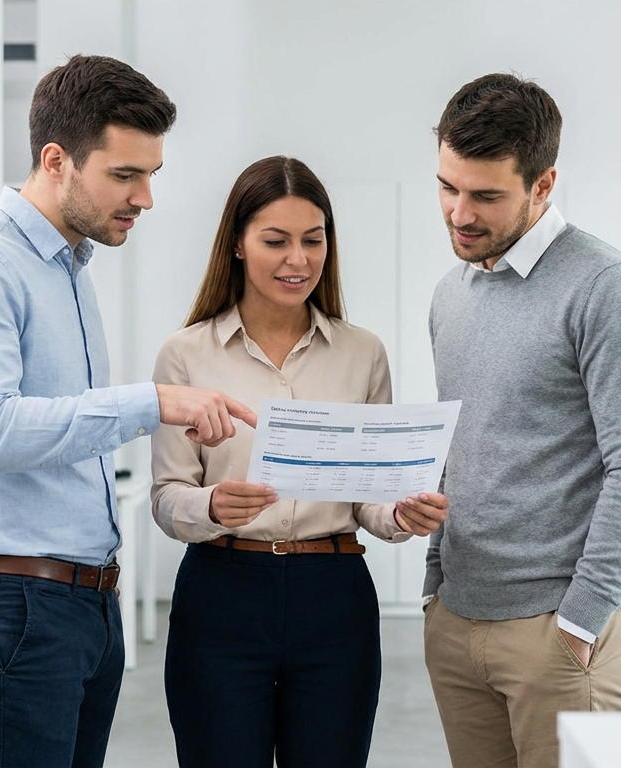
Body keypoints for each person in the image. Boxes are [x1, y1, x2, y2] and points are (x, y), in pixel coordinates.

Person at [0, 54, 255, 768]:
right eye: (125, 175)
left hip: (82, 603)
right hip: (15, 604)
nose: (145, 198)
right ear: (56, 159)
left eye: (151, 175)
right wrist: (151, 403)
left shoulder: (69, 270)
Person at [151, 156, 449, 768]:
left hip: (333, 597)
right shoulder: (185, 354)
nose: (298, 259)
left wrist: (402, 512)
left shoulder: (362, 353)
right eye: (276, 241)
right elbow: (166, 495)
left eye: (313, 240)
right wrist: (210, 504)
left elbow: (370, 497)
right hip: (221, 594)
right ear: (236, 244)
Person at [421, 73, 621, 768]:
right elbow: (461, 445)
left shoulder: (606, 289)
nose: (459, 213)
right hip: (458, 619)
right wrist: (434, 586)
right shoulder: (452, 293)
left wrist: (582, 618)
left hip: (556, 635)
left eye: (486, 196)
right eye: (447, 187)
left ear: (543, 183)